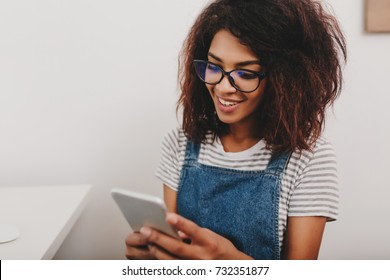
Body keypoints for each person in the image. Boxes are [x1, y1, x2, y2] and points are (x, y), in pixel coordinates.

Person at [125, 0, 346, 260]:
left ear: (286, 80)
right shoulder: (180, 143)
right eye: (214, 66)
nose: (222, 87)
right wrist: (151, 254)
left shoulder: (309, 157)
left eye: (245, 73)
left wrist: (229, 262)